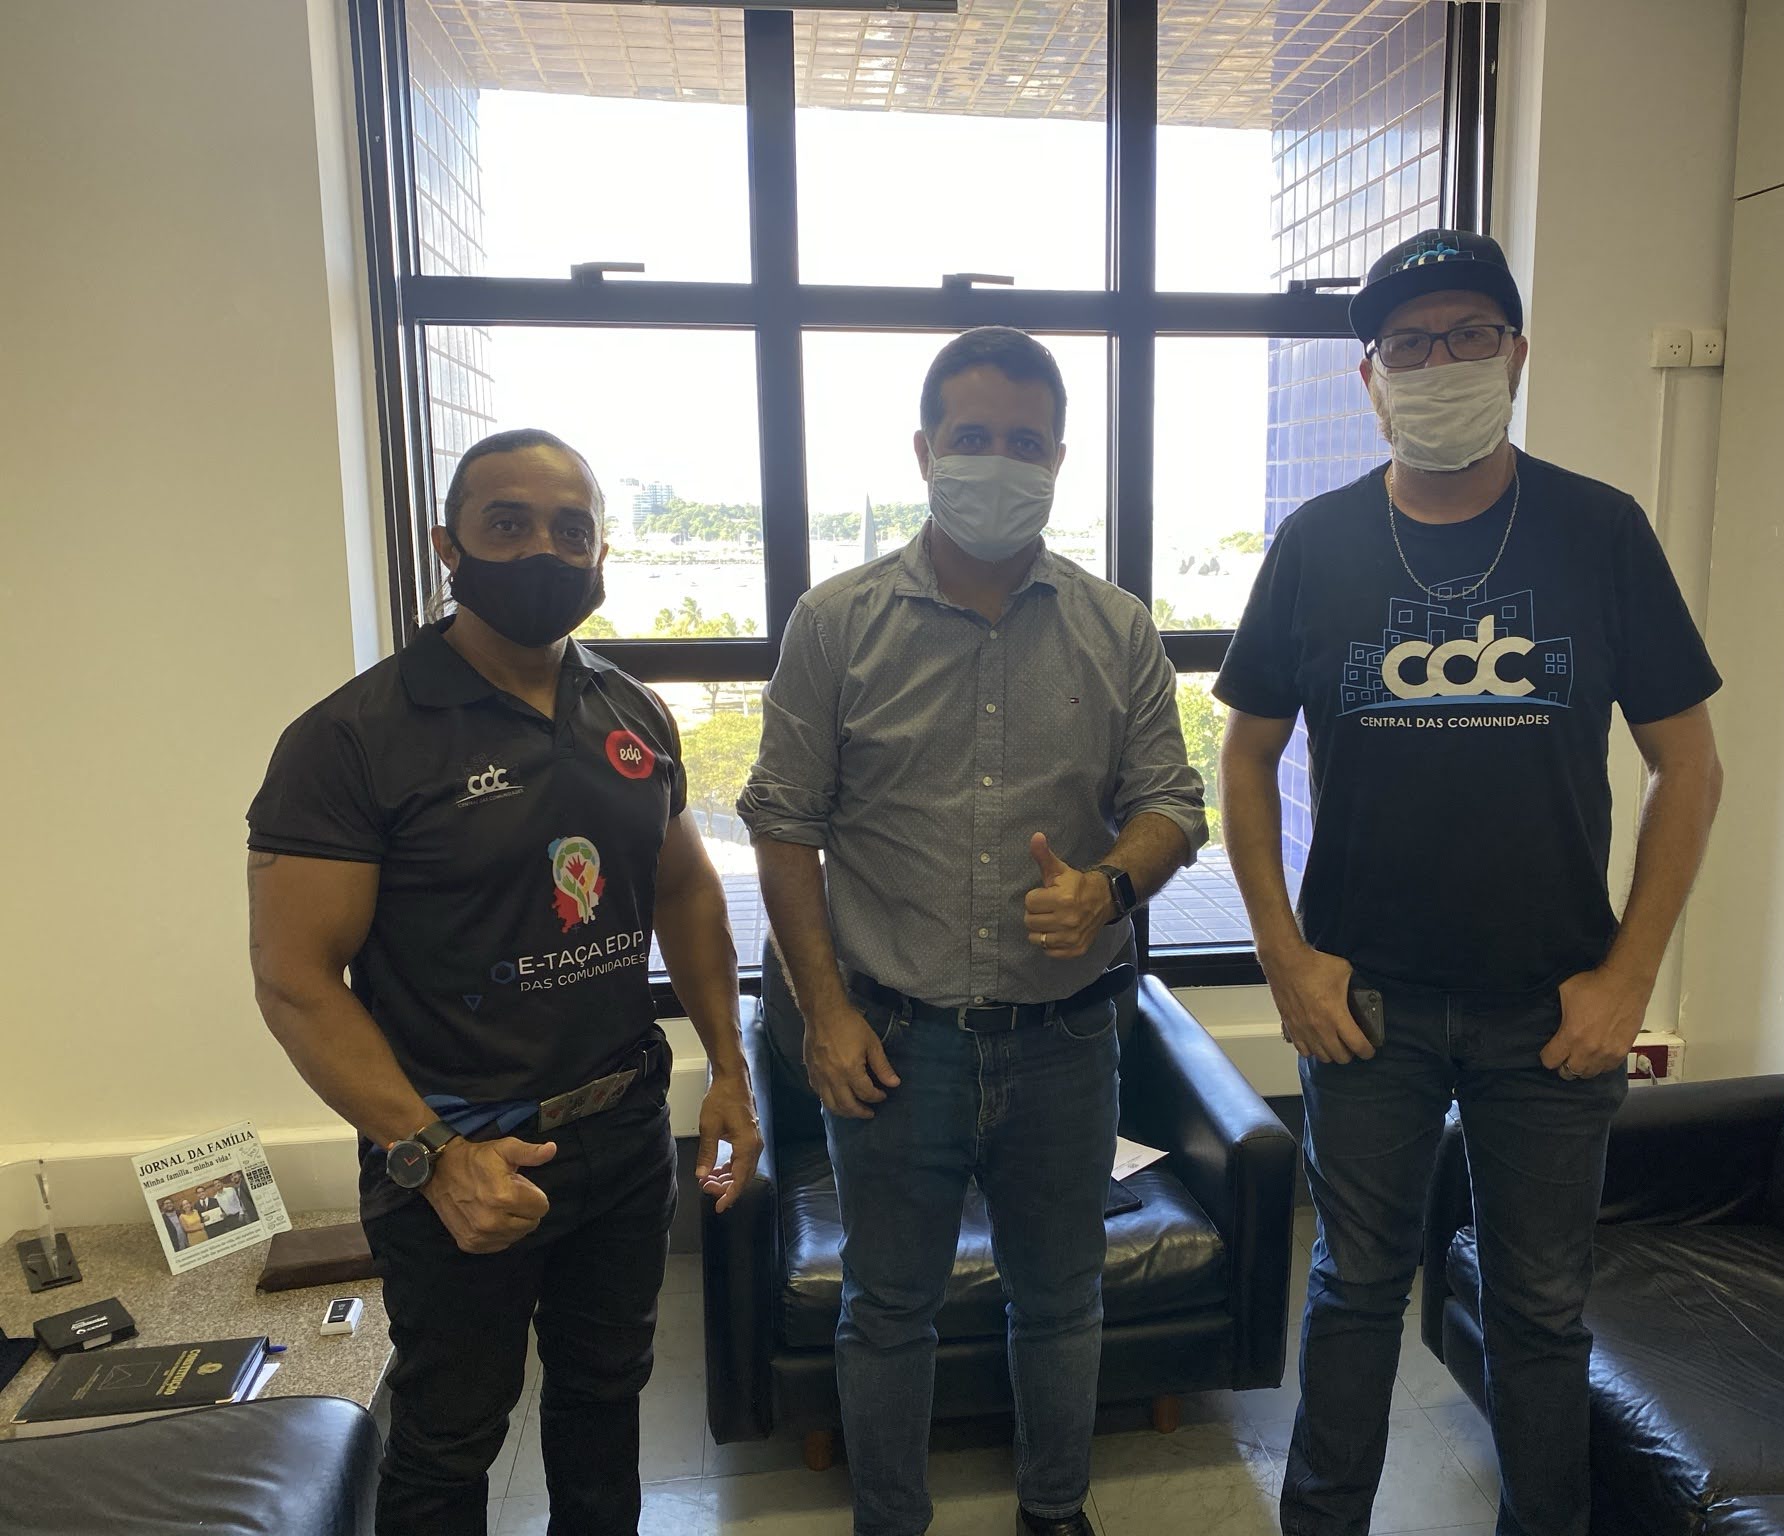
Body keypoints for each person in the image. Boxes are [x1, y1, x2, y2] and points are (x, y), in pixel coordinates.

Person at [1215, 229, 1724, 1536]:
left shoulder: (1599, 532)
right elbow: (1245, 756)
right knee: (1352, 1294)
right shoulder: (1317, 543)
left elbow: (1687, 767)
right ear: (1370, 378)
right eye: (1408, 343)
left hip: (1553, 1009)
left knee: (1541, 1312)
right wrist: (1285, 959)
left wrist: (1627, 979)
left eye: (1467, 335)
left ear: (1515, 354)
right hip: (1362, 1005)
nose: (1438, 362)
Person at [246, 427, 762, 1536]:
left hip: (620, 1134)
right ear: (450, 546)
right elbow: (295, 981)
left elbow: (684, 893)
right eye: (508, 524)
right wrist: (432, 1157)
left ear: (601, 553)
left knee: (605, 1400)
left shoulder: (632, 712)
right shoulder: (350, 739)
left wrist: (728, 1068)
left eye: (570, 530)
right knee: (449, 1435)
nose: (542, 551)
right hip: (458, 1149)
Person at [739, 327, 1207, 1536]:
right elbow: (782, 827)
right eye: (971, 437)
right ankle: (890, 1521)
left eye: (1023, 442)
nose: (997, 461)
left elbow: (1173, 803)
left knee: (1059, 1302)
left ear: (1057, 460)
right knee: (886, 1309)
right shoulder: (835, 624)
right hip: (894, 1044)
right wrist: (822, 1017)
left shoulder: (1116, 628)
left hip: (1066, 1043)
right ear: (923, 450)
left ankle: (1054, 1513)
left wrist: (1107, 889)